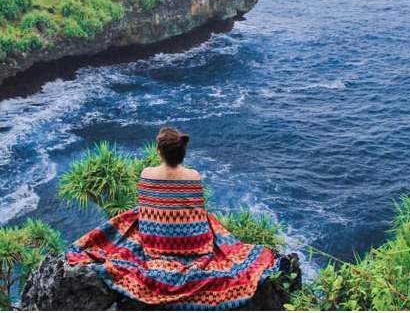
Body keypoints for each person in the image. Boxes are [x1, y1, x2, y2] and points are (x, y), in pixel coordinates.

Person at [67, 127, 281, 309]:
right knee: (209, 221)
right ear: (182, 151)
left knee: (135, 215)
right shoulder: (193, 176)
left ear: (159, 151)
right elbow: (195, 214)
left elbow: (148, 208)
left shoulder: (146, 173)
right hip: (192, 245)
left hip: (156, 242)